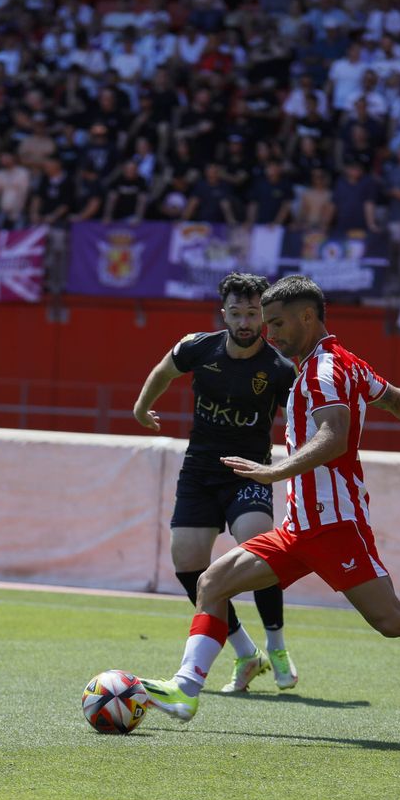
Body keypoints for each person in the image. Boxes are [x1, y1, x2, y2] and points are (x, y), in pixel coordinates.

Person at [136, 275, 400, 721]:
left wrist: (275, 471)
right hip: (299, 528)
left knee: (392, 619)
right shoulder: (344, 362)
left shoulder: (323, 371)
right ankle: (185, 689)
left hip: (333, 524)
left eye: (277, 323)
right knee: (211, 583)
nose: (271, 333)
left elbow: (334, 437)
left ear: (306, 317)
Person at [131, 272, 301, 693]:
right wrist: (141, 408)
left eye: (253, 314)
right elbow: (163, 371)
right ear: (223, 313)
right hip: (200, 472)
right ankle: (247, 653)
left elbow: (301, 423)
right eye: (237, 313)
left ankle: (277, 645)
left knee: (258, 548)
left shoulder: (279, 369)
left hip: (249, 472)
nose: (245, 322)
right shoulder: (197, 347)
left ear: (264, 316)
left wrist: (295, 464)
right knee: (188, 565)